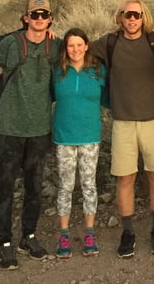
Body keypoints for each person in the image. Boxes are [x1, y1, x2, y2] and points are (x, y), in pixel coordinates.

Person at [0, 0, 61, 270]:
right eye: (34, 14)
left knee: (34, 188)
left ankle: (29, 236)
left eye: (43, 14)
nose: (38, 18)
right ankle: (5, 242)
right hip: (9, 128)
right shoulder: (11, 43)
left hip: (39, 129)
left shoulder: (55, 47)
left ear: (49, 19)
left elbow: (81, 57)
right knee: (5, 188)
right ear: (25, 17)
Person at [89, 0, 154, 259]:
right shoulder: (108, 43)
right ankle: (128, 232)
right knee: (125, 178)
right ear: (120, 17)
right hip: (122, 121)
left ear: (143, 16)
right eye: (127, 14)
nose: (132, 19)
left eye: (136, 14)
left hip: (153, 119)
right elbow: (77, 49)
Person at [50, 28, 107, 259]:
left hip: (90, 137)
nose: (75, 50)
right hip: (64, 137)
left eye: (79, 45)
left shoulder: (98, 70)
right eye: (70, 45)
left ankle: (89, 233)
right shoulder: (57, 71)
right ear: (65, 48)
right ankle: (63, 234)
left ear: (86, 46)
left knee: (88, 185)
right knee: (65, 186)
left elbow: (107, 97)